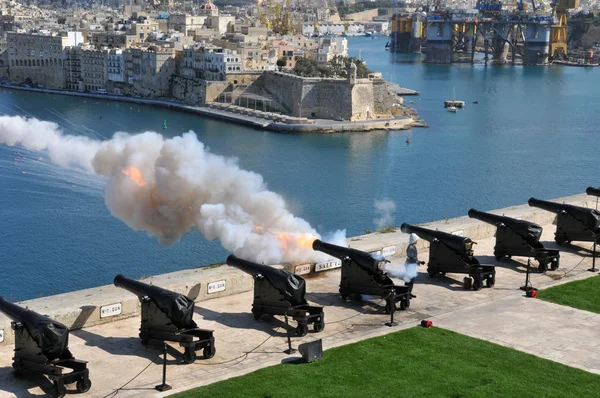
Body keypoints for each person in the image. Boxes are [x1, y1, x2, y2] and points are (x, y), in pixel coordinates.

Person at [405, 233, 425, 298]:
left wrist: (419, 261)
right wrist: (419, 262)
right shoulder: (411, 248)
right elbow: (412, 257)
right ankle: (406, 293)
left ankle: (409, 292)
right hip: (409, 265)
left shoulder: (413, 246)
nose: (417, 241)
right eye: (416, 240)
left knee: (412, 280)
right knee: (409, 280)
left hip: (412, 265)